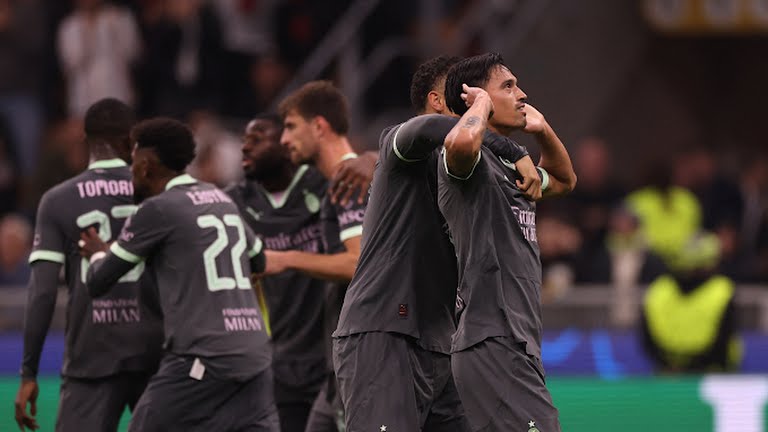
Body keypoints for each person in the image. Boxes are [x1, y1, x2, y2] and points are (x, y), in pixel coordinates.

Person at [331, 55, 540, 432]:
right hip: (385, 332)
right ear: (438, 101)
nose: (476, 99)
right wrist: (512, 148)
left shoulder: (474, 167)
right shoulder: (404, 144)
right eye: (463, 92)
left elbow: (559, 181)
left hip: (442, 341)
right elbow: (425, 130)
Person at [79, 117, 278, 431]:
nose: (130, 171)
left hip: (202, 358)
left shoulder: (158, 209)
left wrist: (98, 253)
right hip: (255, 355)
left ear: (146, 165)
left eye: (133, 161)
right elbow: (259, 261)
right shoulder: (221, 199)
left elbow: (98, 281)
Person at [439, 52, 577, 431]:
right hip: (492, 339)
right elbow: (462, 142)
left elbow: (565, 181)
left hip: (517, 341)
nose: (522, 94)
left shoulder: (513, 171)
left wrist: (543, 132)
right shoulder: (469, 164)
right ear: (477, 98)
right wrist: (480, 108)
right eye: (508, 86)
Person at [15, 98, 163, 432]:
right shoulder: (157, 193)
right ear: (132, 142)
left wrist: (29, 373)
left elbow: (42, 292)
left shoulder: (58, 200)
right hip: (155, 351)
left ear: (85, 140)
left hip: (92, 356)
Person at [226, 112, 374, 432]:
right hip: (281, 358)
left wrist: (374, 158)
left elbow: (362, 165)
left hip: (333, 353)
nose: (245, 148)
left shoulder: (325, 183)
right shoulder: (233, 202)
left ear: (284, 142)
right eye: (243, 141)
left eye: (257, 138)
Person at [263, 80, 369, 431]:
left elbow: (357, 263)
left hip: (364, 351)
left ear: (319, 126)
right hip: (341, 357)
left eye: (291, 126)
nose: (283, 139)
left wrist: (285, 258)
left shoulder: (348, 180)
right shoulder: (348, 178)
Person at [640, 232, 742, 372]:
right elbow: (724, 339)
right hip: (713, 376)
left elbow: (646, 339)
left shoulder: (659, 289)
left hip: (669, 375)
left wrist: (673, 366)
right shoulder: (722, 290)